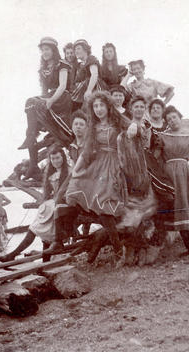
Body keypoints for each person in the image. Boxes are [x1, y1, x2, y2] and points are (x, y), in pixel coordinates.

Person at [51, 91, 133, 262]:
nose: (98, 109)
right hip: (97, 165)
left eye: (101, 105)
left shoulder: (117, 121)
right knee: (87, 195)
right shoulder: (93, 127)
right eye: (95, 106)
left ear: (108, 106)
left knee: (103, 205)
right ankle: (118, 248)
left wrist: (134, 127)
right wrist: (76, 170)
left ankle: (118, 249)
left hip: (114, 163)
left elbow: (134, 127)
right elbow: (86, 151)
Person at [149, 105, 189, 256]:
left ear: (180, 117)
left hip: (186, 174)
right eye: (168, 119)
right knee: (178, 207)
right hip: (169, 176)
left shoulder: (188, 137)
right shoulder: (162, 137)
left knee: (188, 206)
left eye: (174, 117)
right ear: (166, 121)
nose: (172, 120)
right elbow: (154, 158)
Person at [0, 146, 72, 262]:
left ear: (63, 157)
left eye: (58, 158)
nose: (56, 161)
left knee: (41, 228)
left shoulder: (70, 171)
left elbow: (72, 191)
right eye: (53, 159)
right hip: (52, 204)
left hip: (65, 203)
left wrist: (57, 198)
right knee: (34, 228)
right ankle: (16, 255)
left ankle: (17, 255)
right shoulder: (50, 173)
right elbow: (49, 192)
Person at [18, 37, 73, 181]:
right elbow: (43, 92)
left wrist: (51, 100)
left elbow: (62, 86)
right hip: (49, 97)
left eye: (47, 49)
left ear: (53, 50)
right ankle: (33, 163)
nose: (44, 52)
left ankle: (31, 136)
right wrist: (41, 107)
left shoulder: (62, 65)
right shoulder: (43, 70)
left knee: (31, 102)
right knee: (30, 103)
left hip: (62, 98)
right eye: (42, 50)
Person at [71, 39, 106, 110]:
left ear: (85, 49)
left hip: (93, 89)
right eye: (75, 50)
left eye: (78, 48)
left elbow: (94, 74)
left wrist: (89, 90)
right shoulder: (79, 65)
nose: (76, 51)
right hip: (81, 92)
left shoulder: (91, 59)